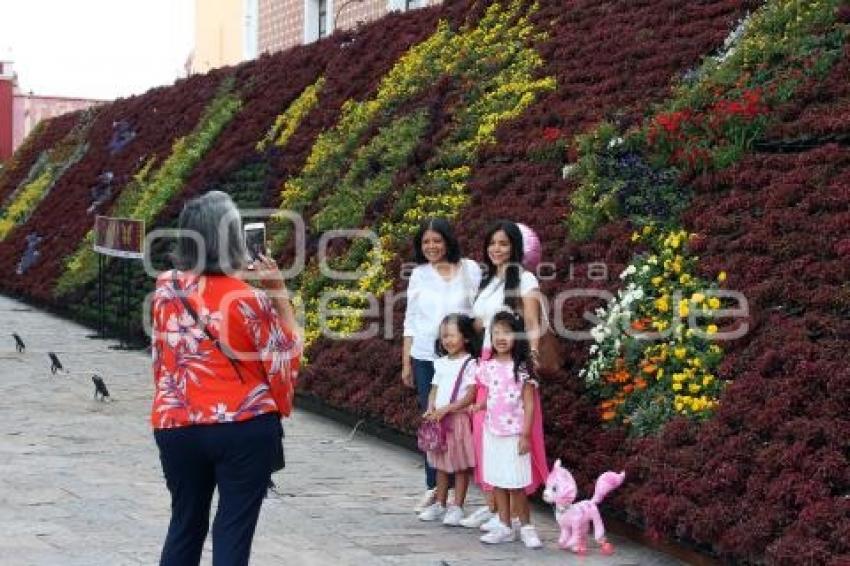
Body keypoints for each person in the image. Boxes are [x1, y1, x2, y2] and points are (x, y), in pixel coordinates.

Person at [150, 191, 301, 566]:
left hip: (177, 424)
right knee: (232, 529)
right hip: (242, 427)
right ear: (233, 239)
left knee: (185, 523)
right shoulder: (250, 299)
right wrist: (278, 292)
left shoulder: (166, 290)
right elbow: (284, 356)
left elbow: (161, 359)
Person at [461, 220, 548, 531]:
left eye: (503, 244)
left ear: (515, 248)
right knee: (484, 434)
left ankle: (513, 514)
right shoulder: (488, 282)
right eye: (492, 244)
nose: (496, 250)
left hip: (512, 366)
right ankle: (495, 508)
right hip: (487, 363)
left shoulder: (524, 281)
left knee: (513, 437)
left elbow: (533, 323)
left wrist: (532, 358)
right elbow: (478, 324)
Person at [402, 218, 481, 512]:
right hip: (426, 357)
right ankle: (434, 488)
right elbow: (410, 319)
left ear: (447, 240)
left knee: (461, 421)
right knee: (433, 420)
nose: (431, 246)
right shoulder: (419, 274)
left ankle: (461, 489)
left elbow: (478, 314)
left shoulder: (469, 269)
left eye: (436, 240)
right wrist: (406, 362)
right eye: (426, 242)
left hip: (462, 362)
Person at [471, 311, 543, 547]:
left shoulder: (522, 368)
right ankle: (504, 525)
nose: (501, 337)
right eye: (496, 332)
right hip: (493, 432)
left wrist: (525, 435)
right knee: (498, 481)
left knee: (517, 483)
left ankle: (527, 527)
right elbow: (490, 394)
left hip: (514, 434)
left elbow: (529, 404)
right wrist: (479, 405)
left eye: (507, 332)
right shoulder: (487, 366)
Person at [418, 314, 480, 525]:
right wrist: (430, 408)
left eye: (452, 335)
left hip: (458, 420)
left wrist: (448, 409)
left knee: (460, 466)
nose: (448, 340)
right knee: (441, 465)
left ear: (466, 337)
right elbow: (433, 390)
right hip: (439, 421)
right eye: (444, 336)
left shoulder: (471, 363)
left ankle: (457, 507)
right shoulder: (441, 363)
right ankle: (440, 504)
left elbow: (471, 395)